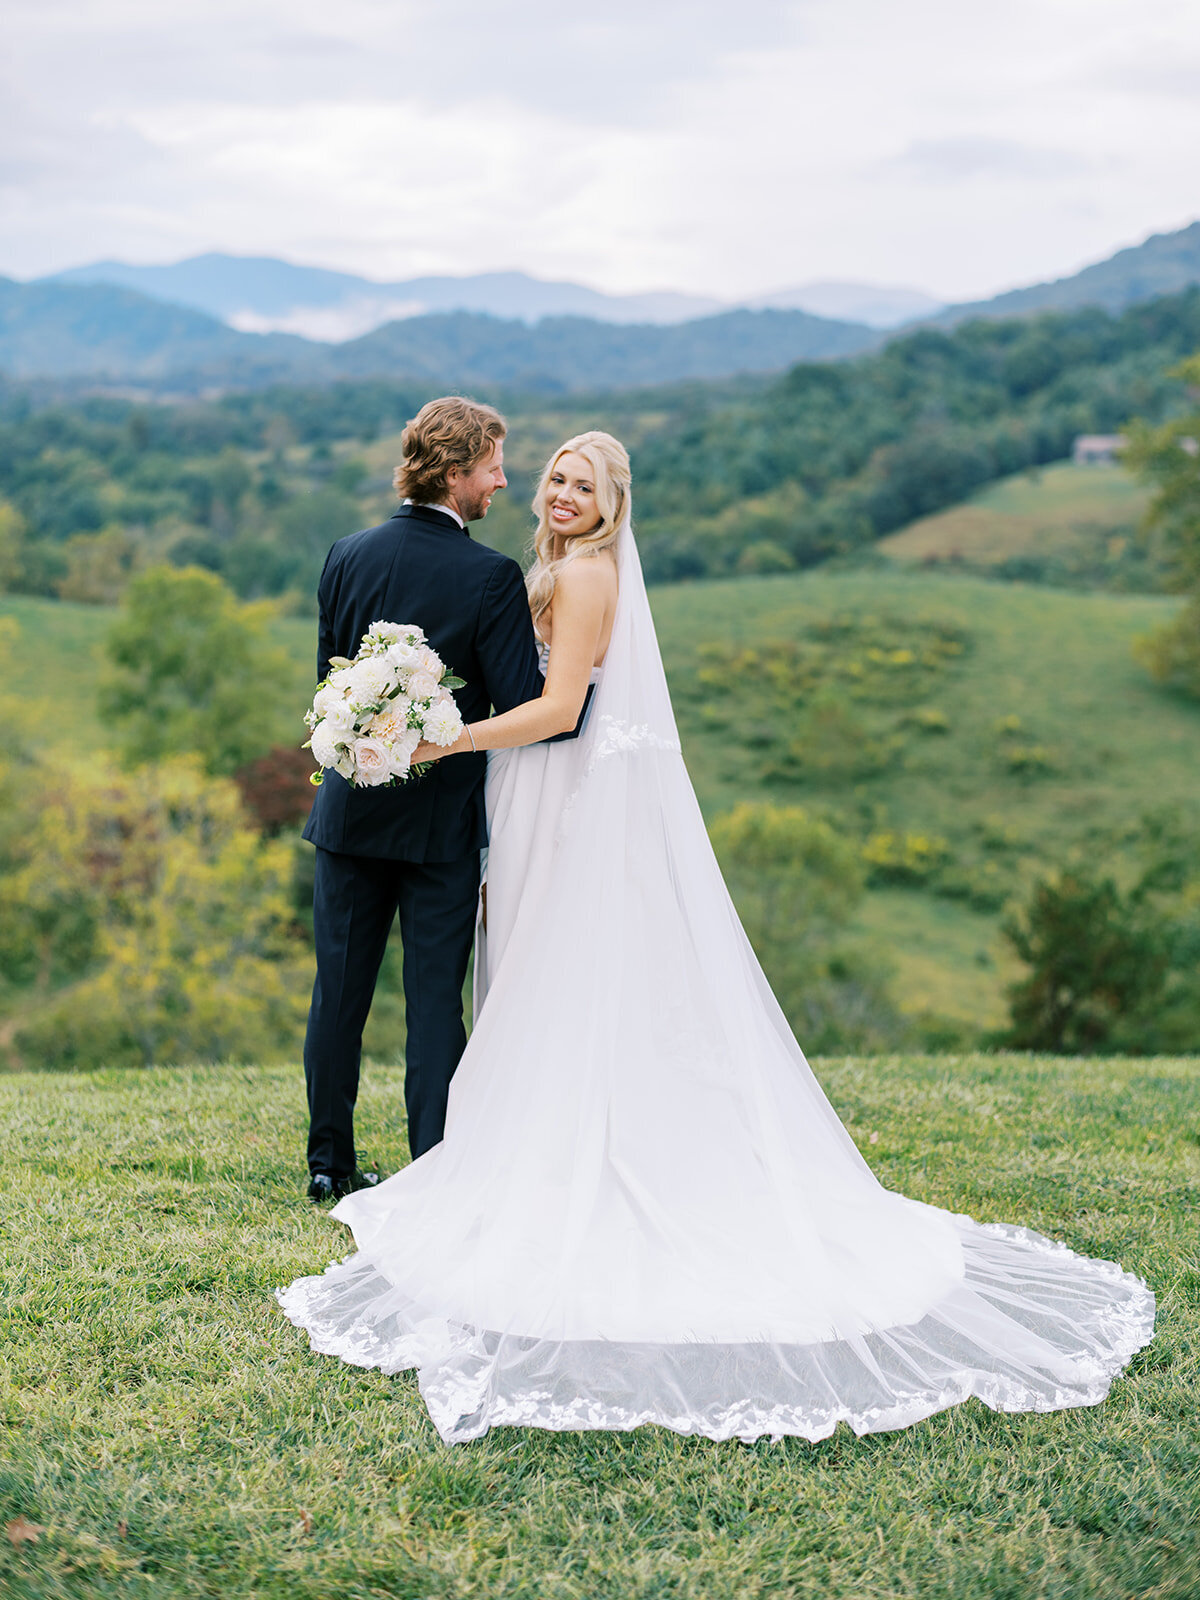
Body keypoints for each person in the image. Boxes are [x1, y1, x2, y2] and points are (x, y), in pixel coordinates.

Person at [279, 431, 1155, 1445]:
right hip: (523, 792)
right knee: (513, 974)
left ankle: (512, 1156)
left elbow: (560, 706)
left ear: (612, 503)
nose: (556, 492)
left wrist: (447, 734)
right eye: (553, 476)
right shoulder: (544, 568)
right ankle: (490, 1148)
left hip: (552, 787)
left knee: (538, 973)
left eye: (580, 484)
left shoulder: (590, 575)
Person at [299, 396, 544, 1202]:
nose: (503, 482)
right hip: (439, 827)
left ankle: (328, 1166)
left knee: (339, 992)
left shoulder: (346, 554)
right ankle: (434, 1173)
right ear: (453, 471)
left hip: (348, 809)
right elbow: (519, 706)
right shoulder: (492, 576)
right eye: (491, 468)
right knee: (434, 1002)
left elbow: (336, 679)